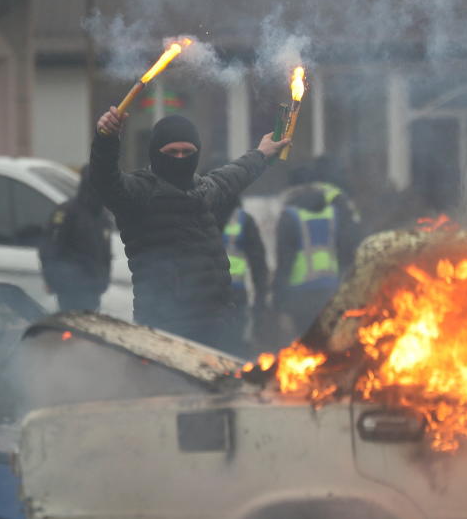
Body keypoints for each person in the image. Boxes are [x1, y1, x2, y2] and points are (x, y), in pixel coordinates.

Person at [91, 108, 289, 347]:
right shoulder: (139, 193)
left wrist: (262, 153)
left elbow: (236, 174)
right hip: (165, 332)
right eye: (172, 152)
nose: (180, 158)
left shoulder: (203, 190)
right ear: (155, 153)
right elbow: (105, 180)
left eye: (188, 152)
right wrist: (106, 138)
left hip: (218, 328)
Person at [272, 166, 360, 339]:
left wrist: (279, 306)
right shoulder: (333, 213)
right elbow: (347, 252)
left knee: (305, 351)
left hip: (299, 298)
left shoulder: (289, 217)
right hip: (330, 291)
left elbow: (284, 264)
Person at [38, 166, 112, 312]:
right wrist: (52, 280)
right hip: (70, 290)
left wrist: (103, 281)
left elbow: (105, 255)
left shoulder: (102, 217)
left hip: (94, 291)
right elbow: (49, 249)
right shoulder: (67, 213)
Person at [220, 203, 269, 356]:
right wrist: (260, 302)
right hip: (235, 291)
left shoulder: (196, 213)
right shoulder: (242, 219)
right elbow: (258, 263)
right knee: (234, 345)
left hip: (203, 293)